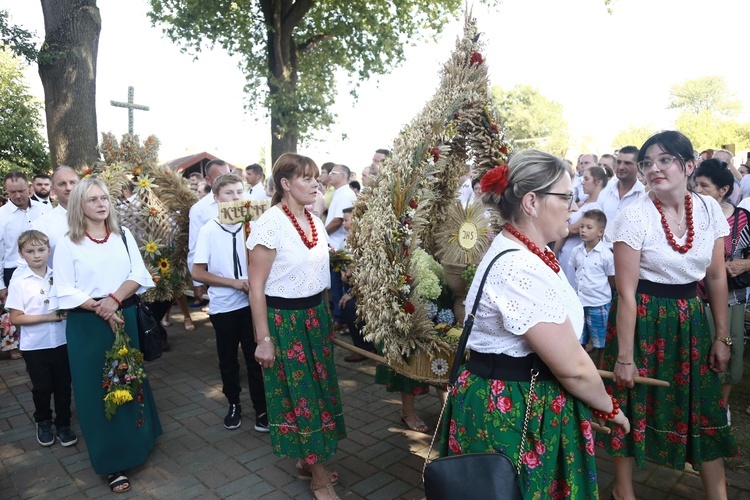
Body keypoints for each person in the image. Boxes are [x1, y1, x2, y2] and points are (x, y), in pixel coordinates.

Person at [439, 149, 629, 499]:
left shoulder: (530, 253)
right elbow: (572, 368)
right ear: (531, 202)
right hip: (516, 410)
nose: (574, 207)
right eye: (566, 197)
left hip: (524, 400)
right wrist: (610, 407)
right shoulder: (518, 267)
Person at [598, 131, 738, 500]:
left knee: (704, 404)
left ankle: (717, 494)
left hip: (690, 318)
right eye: (647, 162)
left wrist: (722, 336)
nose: (653, 169)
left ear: (688, 165)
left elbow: (716, 275)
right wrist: (625, 358)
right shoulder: (633, 214)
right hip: (641, 317)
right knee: (630, 399)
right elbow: (626, 293)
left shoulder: (708, 210)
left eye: (665, 160)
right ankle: (623, 491)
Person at [247, 153, 346, 500]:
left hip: (315, 317)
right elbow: (256, 287)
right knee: (301, 396)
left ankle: (308, 461)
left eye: (316, 177)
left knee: (318, 392)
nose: (315, 184)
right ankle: (319, 477)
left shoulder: (315, 220)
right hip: (284, 321)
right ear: (286, 184)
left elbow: (317, 271)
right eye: (306, 178)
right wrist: (264, 340)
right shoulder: (270, 224)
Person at [53, 178, 161, 493]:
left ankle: (139, 442)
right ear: (79, 206)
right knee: (97, 392)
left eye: (104, 198)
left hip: (123, 316)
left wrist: (113, 301)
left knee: (129, 380)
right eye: (93, 200)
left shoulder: (122, 236)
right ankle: (113, 463)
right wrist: (100, 309)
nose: (102, 204)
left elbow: (138, 275)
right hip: (88, 325)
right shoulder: (67, 242)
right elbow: (63, 287)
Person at [192, 174, 268, 432]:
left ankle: (262, 408)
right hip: (224, 306)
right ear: (216, 199)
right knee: (228, 359)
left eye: (239, 192)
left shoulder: (253, 224)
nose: (236, 198)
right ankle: (234, 404)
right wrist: (234, 282)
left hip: (251, 304)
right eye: (229, 193)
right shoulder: (209, 229)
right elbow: (198, 272)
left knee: (254, 356)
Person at [6, 230, 76, 447]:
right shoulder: (20, 281)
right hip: (35, 346)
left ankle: (63, 423)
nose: (36, 255)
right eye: (30, 251)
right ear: (21, 254)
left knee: (64, 386)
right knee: (43, 387)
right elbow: (16, 317)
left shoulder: (61, 277)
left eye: (41, 250)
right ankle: (43, 421)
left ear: (49, 251)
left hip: (63, 342)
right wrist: (49, 317)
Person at [693, 159, 750, 425]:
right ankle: (697, 408)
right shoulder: (689, 216)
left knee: (730, 350)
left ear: (723, 190)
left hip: (731, 299)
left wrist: (745, 263)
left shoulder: (741, 218)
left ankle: (721, 409)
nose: (698, 189)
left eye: (705, 185)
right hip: (695, 297)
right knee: (699, 353)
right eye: (696, 184)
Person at [0, 171, 51, 359]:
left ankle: (49, 344)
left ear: (29, 188)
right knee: (15, 314)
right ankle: (17, 347)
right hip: (13, 270)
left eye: (21, 190)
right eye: (12, 192)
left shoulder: (44, 209)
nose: (17, 196)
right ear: (6, 191)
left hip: (44, 267)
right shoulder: (1, 216)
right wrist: (1, 285)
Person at [570, 209, 614, 368]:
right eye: (582, 226)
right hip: (580, 303)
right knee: (579, 338)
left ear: (600, 232)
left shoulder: (606, 255)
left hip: (598, 303)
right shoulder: (576, 252)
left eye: (589, 227)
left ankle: (600, 369)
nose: (583, 230)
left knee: (600, 340)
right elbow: (577, 272)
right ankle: (580, 367)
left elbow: (611, 279)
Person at [557, 165, 608, 287]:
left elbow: (575, 228)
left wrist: (559, 227)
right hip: (565, 253)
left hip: (576, 256)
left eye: (586, 179)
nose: (582, 182)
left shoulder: (596, 207)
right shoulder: (583, 203)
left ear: (598, 182)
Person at [31, 166, 80, 262]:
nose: (68, 188)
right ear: (52, 190)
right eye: (62, 184)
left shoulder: (98, 218)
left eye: (73, 183)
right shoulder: (41, 225)